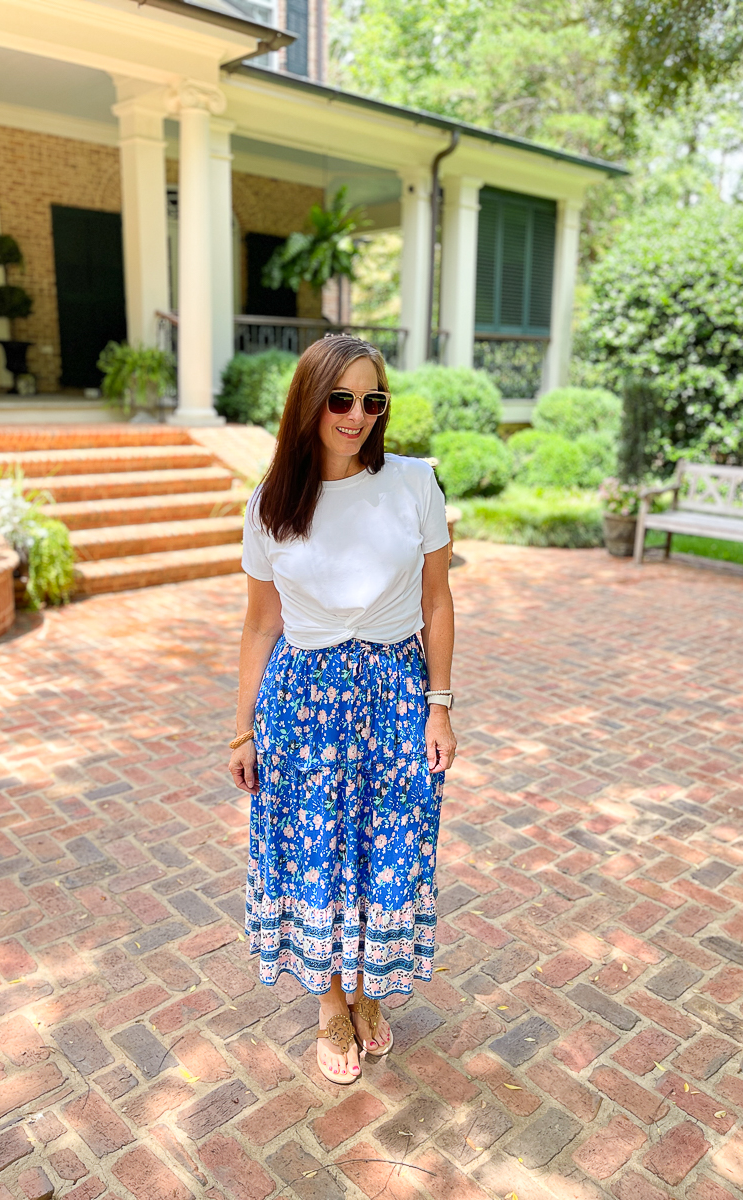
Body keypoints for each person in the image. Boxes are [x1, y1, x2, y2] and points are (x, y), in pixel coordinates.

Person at [228, 334, 456, 1085]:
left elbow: (437, 598)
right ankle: (330, 999)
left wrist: (441, 705)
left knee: (385, 850)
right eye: (341, 399)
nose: (357, 415)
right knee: (316, 853)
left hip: (395, 694)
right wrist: (241, 729)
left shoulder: (415, 483)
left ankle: (367, 990)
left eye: (372, 400)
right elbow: (261, 624)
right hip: (302, 704)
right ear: (309, 403)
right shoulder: (271, 502)